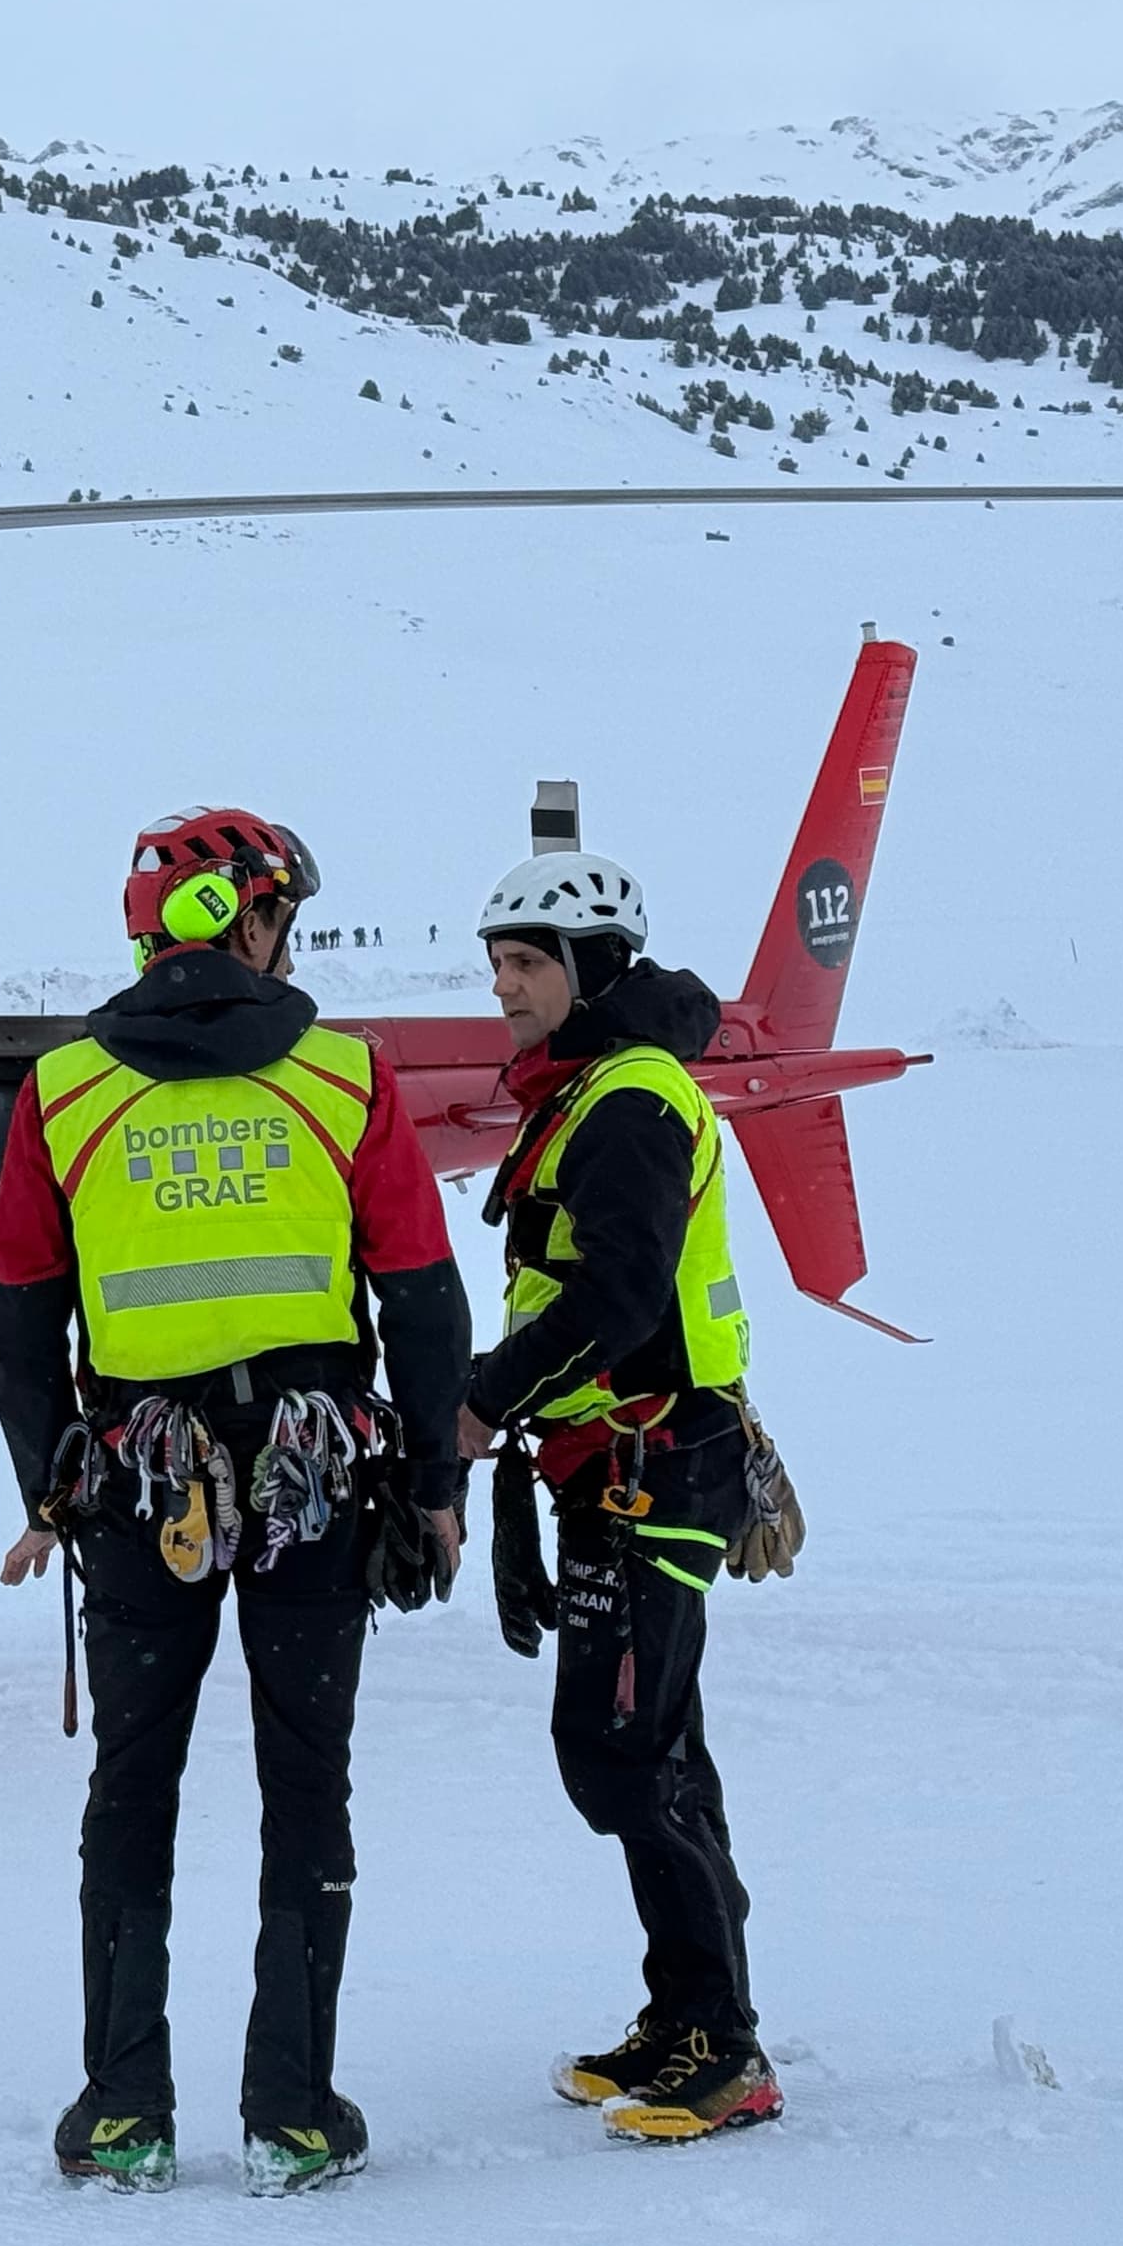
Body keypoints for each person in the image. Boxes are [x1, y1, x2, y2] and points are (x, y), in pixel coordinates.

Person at [0, 806, 473, 2195]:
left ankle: (124, 2109)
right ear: (248, 920)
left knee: (134, 1780)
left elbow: (20, 1316)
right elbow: (423, 1298)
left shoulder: (65, 1091)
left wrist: (48, 1483)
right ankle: (295, 2109)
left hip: (144, 1489)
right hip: (312, 1480)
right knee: (305, 1778)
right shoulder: (343, 1078)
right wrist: (433, 1482)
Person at [456, 850, 784, 2144]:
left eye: (528, 965)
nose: (505, 990)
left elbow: (621, 1296)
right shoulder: (589, 1092)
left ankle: (724, 2048)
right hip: (614, 1466)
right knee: (659, 1746)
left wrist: (484, 1397)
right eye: (496, 965)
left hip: (662, 1460)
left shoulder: (632, 1100)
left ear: (591, 973)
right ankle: (686, 2012)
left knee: (620, 1749)